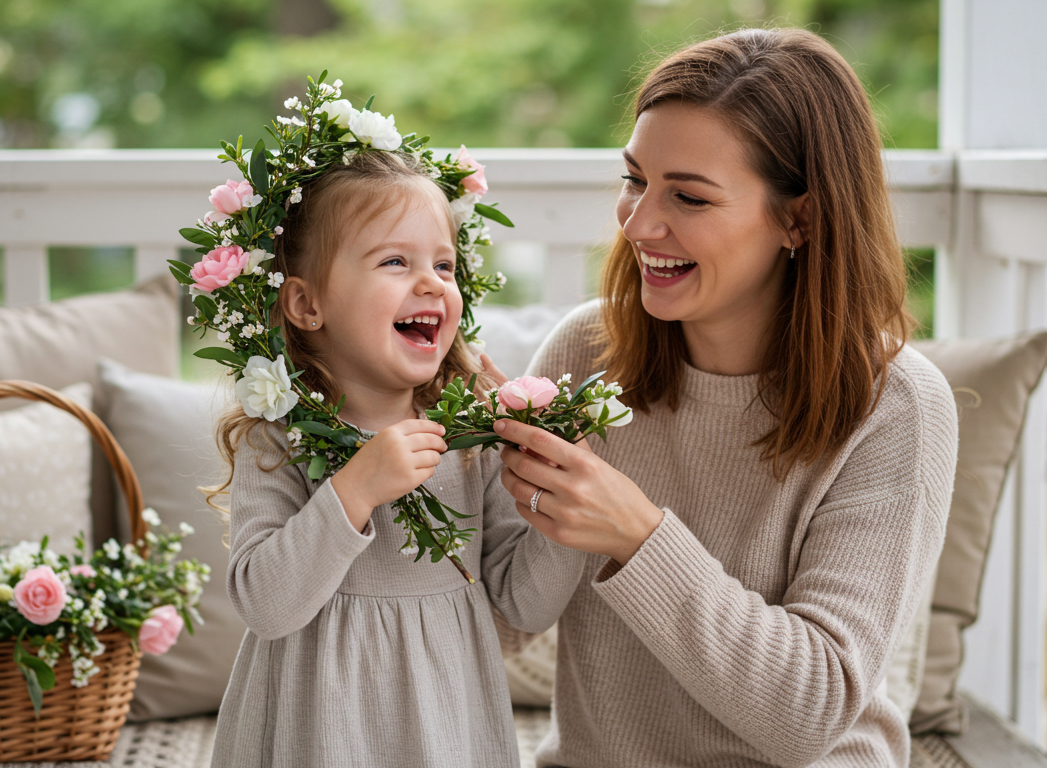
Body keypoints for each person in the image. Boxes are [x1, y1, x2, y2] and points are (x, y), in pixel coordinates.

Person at [491, 28, 959, 767]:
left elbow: (808, 713)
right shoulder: (588, 352)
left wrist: (637, 535)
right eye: (634, 179)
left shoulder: (897, 406)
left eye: (689, 195)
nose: (640, 224)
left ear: (798, 219)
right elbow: (496, 623)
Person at [209, 149, 587, 767]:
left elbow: (525, 608)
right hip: (317, 731)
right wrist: (353, 491)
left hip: (446, 725)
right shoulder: (278, 439)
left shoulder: (469, 439)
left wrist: (558, 499)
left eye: (444, 263)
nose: (432, 281)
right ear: (307, 305)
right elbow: (266, 606)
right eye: (394, 261)